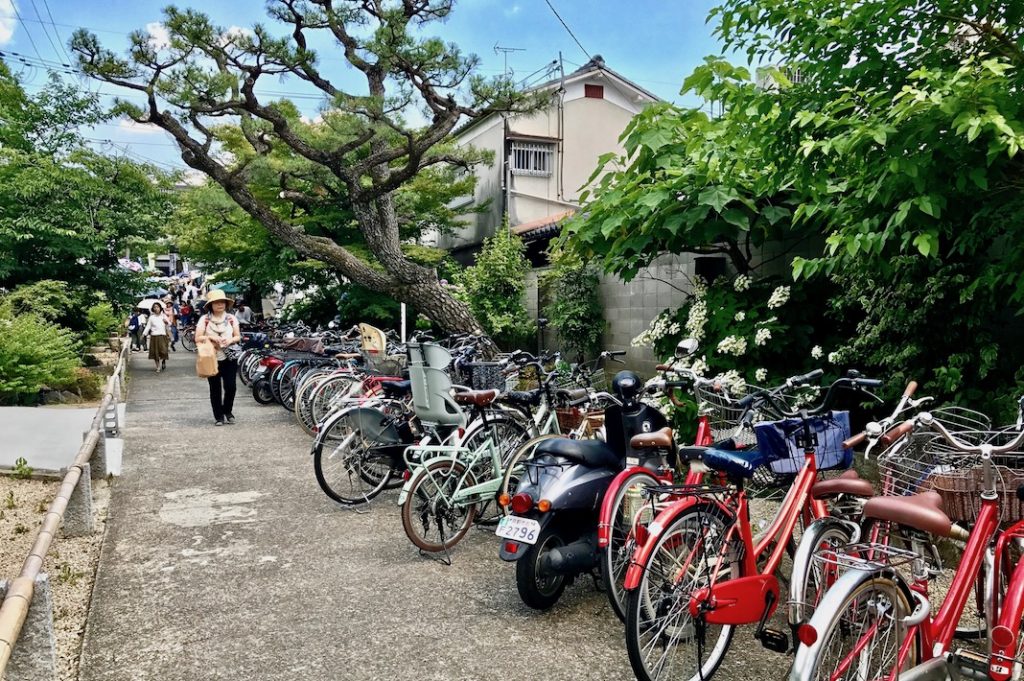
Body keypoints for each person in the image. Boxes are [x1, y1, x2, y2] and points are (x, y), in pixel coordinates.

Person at [195, 289, 242, 426]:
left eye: (222, 302)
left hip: (229, 357)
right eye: (216, 302)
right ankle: (218, 416)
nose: (219, 304)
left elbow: (237, 336)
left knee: (231, 387)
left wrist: (230, 341)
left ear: (226, 304)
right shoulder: (204, 320)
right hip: (212, 357)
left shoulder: (231, 319)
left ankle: (228, 411)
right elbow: (197, 338)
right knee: (215, 388)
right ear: (210, 305)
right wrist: (211, 337)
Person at [142, 302, 170, 372]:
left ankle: (163, 360)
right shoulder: (151, 317)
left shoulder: (163, 316)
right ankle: (158, 367)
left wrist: (166, 322)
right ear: (153, 309)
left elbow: (169, 323)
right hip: (154, 336)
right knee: (155, 353)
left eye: (157, 307)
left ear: (160, 308)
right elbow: (148, 327)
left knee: (164, 351)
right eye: (154, 307)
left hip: (162, 335)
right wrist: (143, 334)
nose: (156, 308)